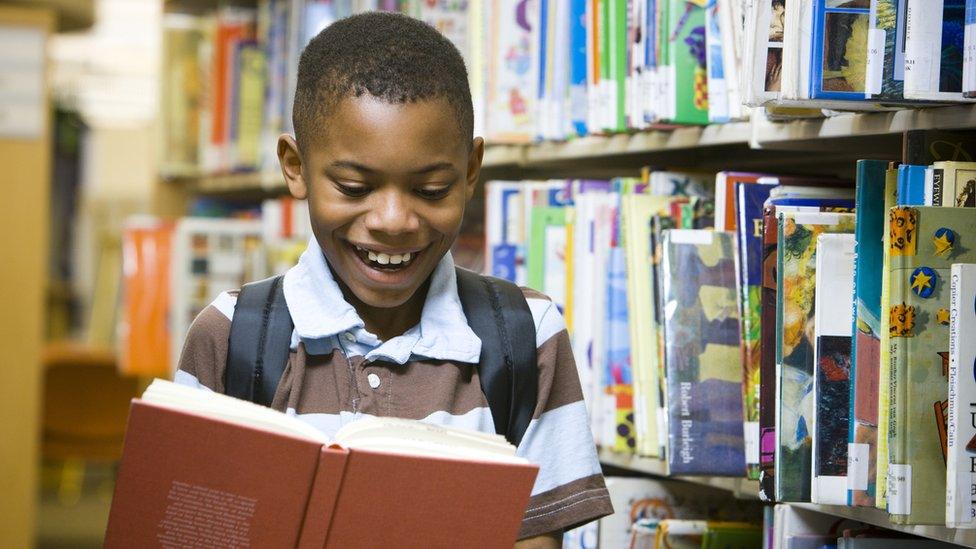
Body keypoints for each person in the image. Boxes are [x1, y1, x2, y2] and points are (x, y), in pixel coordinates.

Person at [175, 12, 613, 546]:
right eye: (354, 188)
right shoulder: (229, 337)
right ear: (295, 166)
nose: (393, 221)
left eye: (430, 190)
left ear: (471, 170)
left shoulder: (526, 333)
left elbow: (540, 535)